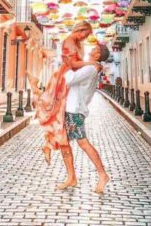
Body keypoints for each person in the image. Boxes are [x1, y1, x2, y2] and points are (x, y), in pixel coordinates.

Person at [28, 21, 96, 165]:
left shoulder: (77, 43)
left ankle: (48, 144)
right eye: (86, 34)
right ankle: (49, 143)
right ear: (81, 29)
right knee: (55, 111)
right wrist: (90, 63)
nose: (86, 37)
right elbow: (72, 64)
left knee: (59, 116)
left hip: (70, 78)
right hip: (64, 78)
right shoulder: (69, 41)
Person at [58, 43, 110, 194]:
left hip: (75, 110)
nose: (92, 49)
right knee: (64, 143)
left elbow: (69, 79)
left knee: (83, 143)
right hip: (70, 108)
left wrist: (67, 66)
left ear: (98, 54)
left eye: (95, 49)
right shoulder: (90, 66)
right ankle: (71, 177)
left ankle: (102, 174)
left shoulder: (90, 68)